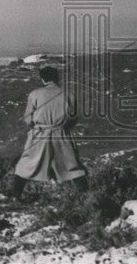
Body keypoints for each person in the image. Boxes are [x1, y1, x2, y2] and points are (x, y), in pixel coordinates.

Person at [9, 65, 87, 198]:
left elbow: (28, 119)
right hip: (61, 134)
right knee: (73, 166)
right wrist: (61, 127)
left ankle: (15, 196)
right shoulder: (68, 95)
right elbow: (73, 118)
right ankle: (87, 197)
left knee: (26, 165)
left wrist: (38, 126)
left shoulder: (35, 94)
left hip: (39, 134)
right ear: (57, 78)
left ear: (42, 79)